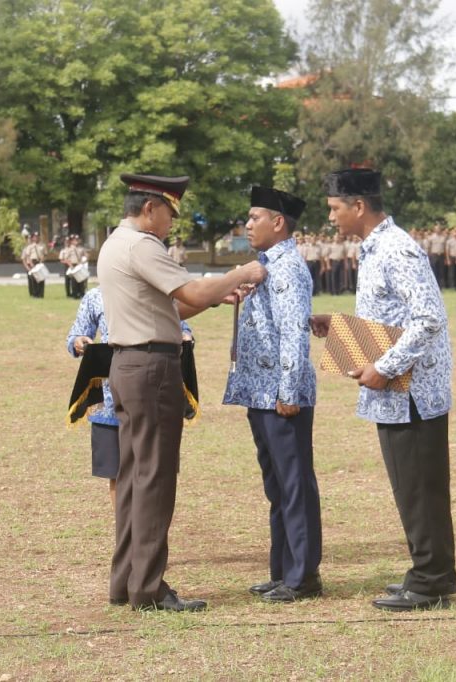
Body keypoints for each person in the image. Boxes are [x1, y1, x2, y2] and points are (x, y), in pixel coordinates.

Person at [97, 172, 267, 613]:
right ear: (151, 207)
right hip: (152, 367)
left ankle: (126, 580)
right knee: (154, 478)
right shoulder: (142, 245)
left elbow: (173, 306)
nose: (172, 222)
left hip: (128, 364)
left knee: (135, 475)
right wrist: (238, 273)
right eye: (170, 213)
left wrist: (216, 296)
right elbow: (188, 290)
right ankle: (149, 588)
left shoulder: (116, 242)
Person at [311, 168, 456, 612]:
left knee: (420, 487)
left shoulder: (396, 249)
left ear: (358, 206)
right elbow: (390, 315)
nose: (332, 218)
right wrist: (339, 328)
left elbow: (428, 318)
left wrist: (384, 366)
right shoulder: (375, 248)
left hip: (412, 389)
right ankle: (428, 572)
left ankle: (431, 581)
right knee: (411, 486)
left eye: (335, 209)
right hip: (397, 388)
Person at [222, 186, 322, 603]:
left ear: (277, 222)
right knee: (277, 487)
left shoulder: (288, 269)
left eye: (254, 217)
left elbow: (294, 336)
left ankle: (303, 577)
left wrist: (288, 390)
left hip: (282, 396)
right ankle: (282, 571)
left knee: (295, 484)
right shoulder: (264, 266)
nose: (247, 224)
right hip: (260, 393)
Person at [67, 287, 193, 510]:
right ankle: (125, 534)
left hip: (154, 392)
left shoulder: (160, 293)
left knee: (155, 470)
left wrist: (185, 337)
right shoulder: (96, 296)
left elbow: (181, 327)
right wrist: (79, 342)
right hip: (109, 401)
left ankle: (148, 531)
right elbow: (76, 335)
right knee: (118, 474)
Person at [22, 233, 47, 298]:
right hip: (33, 262)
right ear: (33, 238)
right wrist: (31, 264)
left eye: (37, 236)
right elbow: (27, 256)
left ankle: (41, 294)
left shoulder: (42, 245)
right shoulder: (30, 247)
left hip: (40, 262)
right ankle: (35, 294)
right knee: (34, 279)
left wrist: (42, 261)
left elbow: (45, 254)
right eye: (35, 237)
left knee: (41, 279)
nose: (36, 238)